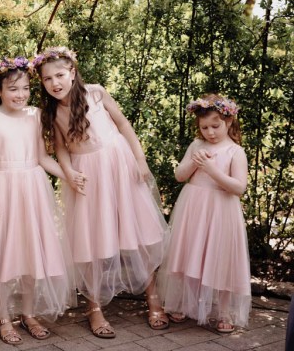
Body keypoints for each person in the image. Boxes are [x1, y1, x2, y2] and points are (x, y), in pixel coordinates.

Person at [31, 46, 170, 338]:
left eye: (59, 75)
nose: (55, 83)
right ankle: (94, 308)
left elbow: (122, 123)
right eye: (47, 79)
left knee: (137, 230)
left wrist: (140, 160)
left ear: (72, 72)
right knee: (90, 239)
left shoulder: (96, 93)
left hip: (118, 164)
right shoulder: (52, 111)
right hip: (88, 174)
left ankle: (153, 299)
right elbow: (61, 149)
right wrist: (69, 173)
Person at [0, 57, 76, 345]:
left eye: (25, 88)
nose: (20, 95)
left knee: (32, 253)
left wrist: (69, 175)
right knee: (4, 254)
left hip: (32, 189)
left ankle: (28, 313)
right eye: (12, 89)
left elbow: (43, 157)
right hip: (2, 190)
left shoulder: (35, 115)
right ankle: (3, 315)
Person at [157, 94, 251, 333]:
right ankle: (181, 303)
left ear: (229, 122)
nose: (210, 132)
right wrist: (195, 164)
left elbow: (239, 187)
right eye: (204, 127)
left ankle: (224, 310)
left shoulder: (235, 151)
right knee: (188, 252)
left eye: (215, 126)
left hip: (221, 209)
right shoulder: (196, 146)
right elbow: (180, 175)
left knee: (221, 258)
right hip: (194, 206)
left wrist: (211, 169)